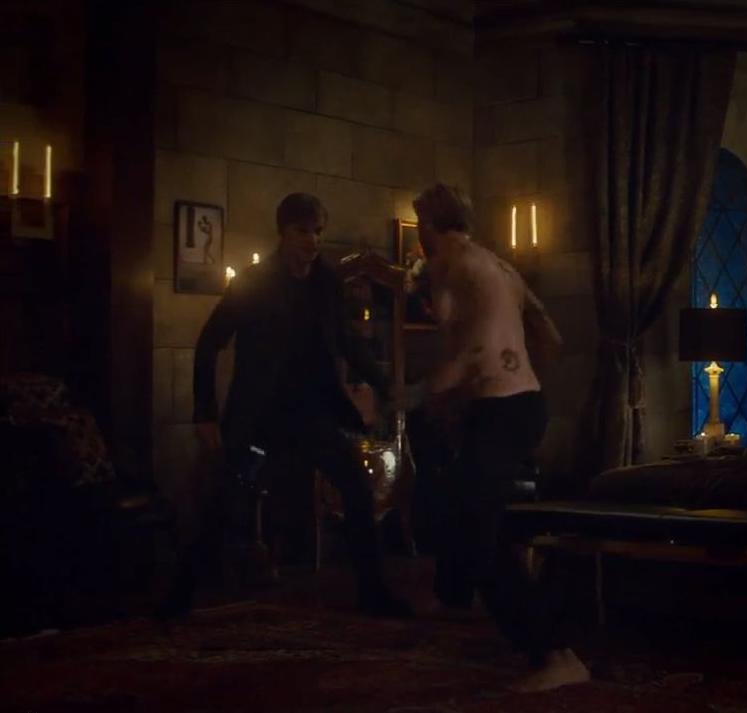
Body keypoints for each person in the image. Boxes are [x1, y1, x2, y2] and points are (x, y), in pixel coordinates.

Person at [163, 193, 412, 620]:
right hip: (259, 414)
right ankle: (178, 598)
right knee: (225, 496)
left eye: (317, 231)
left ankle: (373, 593)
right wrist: (205, 412)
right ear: (283, 232)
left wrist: (382, 382)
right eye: (302, 231)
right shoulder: (255, 281)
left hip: (310, 412)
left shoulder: (326, 282)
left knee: (355, 487)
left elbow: (346, 340)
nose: (312, 240)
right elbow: (209, 343)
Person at [408, 183, 588, 693]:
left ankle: (555, 653)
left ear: (431, 228)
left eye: (421, 227)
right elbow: (549, 333)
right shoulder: (494, 266)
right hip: (512, 406)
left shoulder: (462, 268)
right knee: (462, 509)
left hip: (503, 411)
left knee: (477, 533)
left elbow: (474, 353)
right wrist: (518, 378)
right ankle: (455, 595)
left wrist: (417, 393)